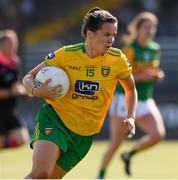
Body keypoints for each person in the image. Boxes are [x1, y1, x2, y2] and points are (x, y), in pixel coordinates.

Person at [22, 7, 137, 179]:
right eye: (106, 35)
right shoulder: (65, 55)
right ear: (90, 34)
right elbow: (29, 76)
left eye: (113, 34)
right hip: (55, 119)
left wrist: (131, 116)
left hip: (85, 134)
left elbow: (131, 89)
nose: (111, 40)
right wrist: (35, 90)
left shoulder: (117, 59)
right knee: (41, 173)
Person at [97, 12, 166, 179]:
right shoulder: (130, 49)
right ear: (138, 29)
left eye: (153, 27)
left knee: (158, 135)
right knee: (116, 143)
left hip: (145, 99)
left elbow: (151, 70)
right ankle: (100, 175)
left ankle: (129, 155)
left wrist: (157, 75)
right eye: (146, 27)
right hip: (125, 99)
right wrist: (144, 76)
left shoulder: (155, 48)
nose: (150, 31)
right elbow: (121, 76)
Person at [0, 30, 30, 149]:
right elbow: (11, 90)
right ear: (1, 45)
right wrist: (10, 92)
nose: (14, 47)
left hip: (10, 110)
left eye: (15, 44)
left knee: (23, 139)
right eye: (10, 44)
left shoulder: (15, 62)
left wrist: (26, 91)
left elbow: (16, 84)